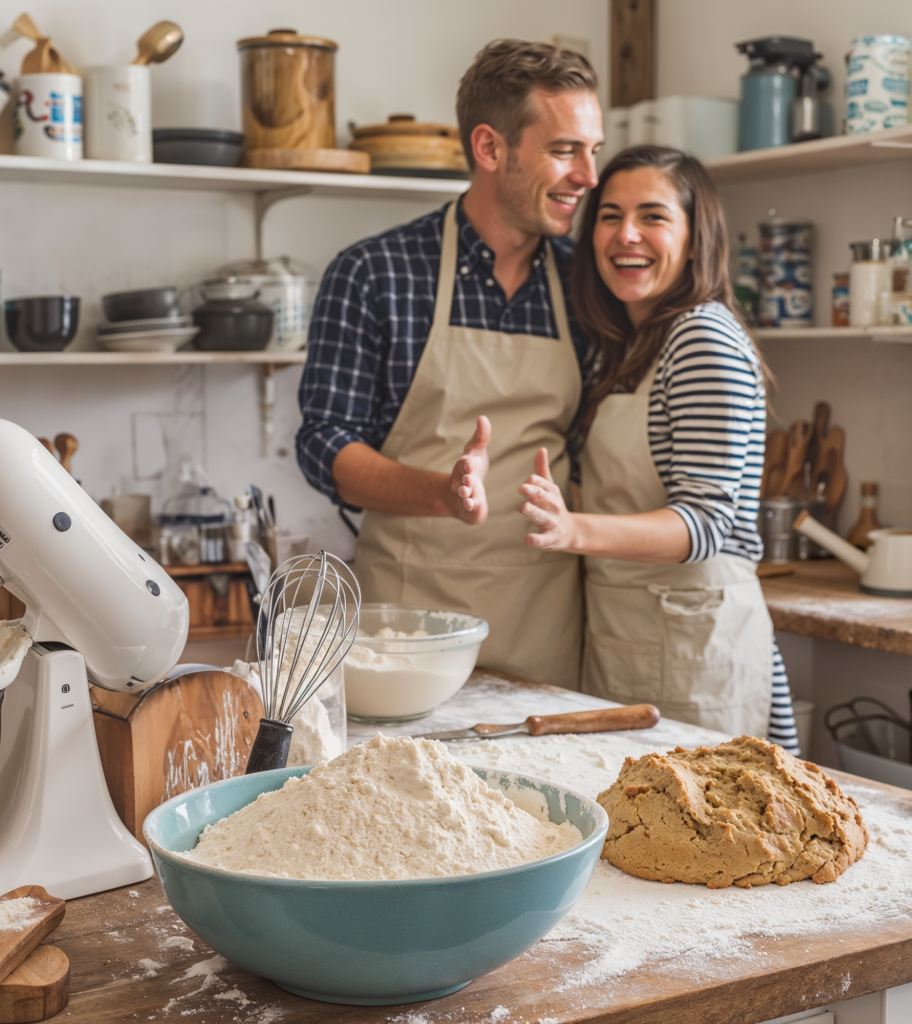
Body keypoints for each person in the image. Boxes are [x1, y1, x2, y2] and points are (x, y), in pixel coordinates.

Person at [295, 40, 604, 688]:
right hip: (406, 631)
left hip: (545, 622)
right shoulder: (373, 273)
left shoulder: (587, 284)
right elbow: (325, 442)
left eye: (592, 151)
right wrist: (443, 492)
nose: (588, 177)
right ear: (491, 149)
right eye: (564, 150)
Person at [516, 145, 799, 750]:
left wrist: (573, 530)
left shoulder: (701, 336)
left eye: (653, 216)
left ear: (697, 238)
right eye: (611, 216)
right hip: (635, 637)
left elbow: (706, 523)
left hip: (693, 648)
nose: (627, 235)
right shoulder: (631, 340)